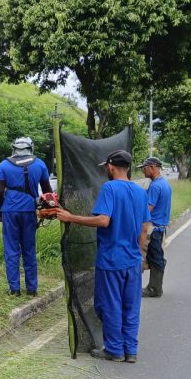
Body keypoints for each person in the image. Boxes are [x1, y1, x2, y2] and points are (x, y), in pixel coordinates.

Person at [56, 150, 150, 363]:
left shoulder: (109, 188)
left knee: (110, 305)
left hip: (112, 260)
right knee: (131, 307)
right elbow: (144, 227)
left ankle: (115, 350)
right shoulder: (140, 192)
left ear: (110, 166)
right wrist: (139, 254)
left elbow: (103, 221)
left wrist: (70, 217)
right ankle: (130, 351)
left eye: (106, 167)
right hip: (133, 260)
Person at [0, 136, 53, 296]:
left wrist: (0, 212)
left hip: (10, 212)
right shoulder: (40, 164)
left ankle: (14, 289)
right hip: (29, 211)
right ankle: (32, 289)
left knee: (11, 250)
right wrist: (48, 210)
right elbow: (47, 192)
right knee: (29, 249)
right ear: (31, 148)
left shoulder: (4, 165)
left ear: (13, 148)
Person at [138, 157, 172, 298]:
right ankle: (154, 287)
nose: (143, 170)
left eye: (144, 168)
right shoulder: (164, 183)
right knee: (155, 257)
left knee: (146, 257)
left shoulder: (155, 186)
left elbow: (148, 209)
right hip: (161, 227)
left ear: (152, 167)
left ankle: (154, 289)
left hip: (153, 229)